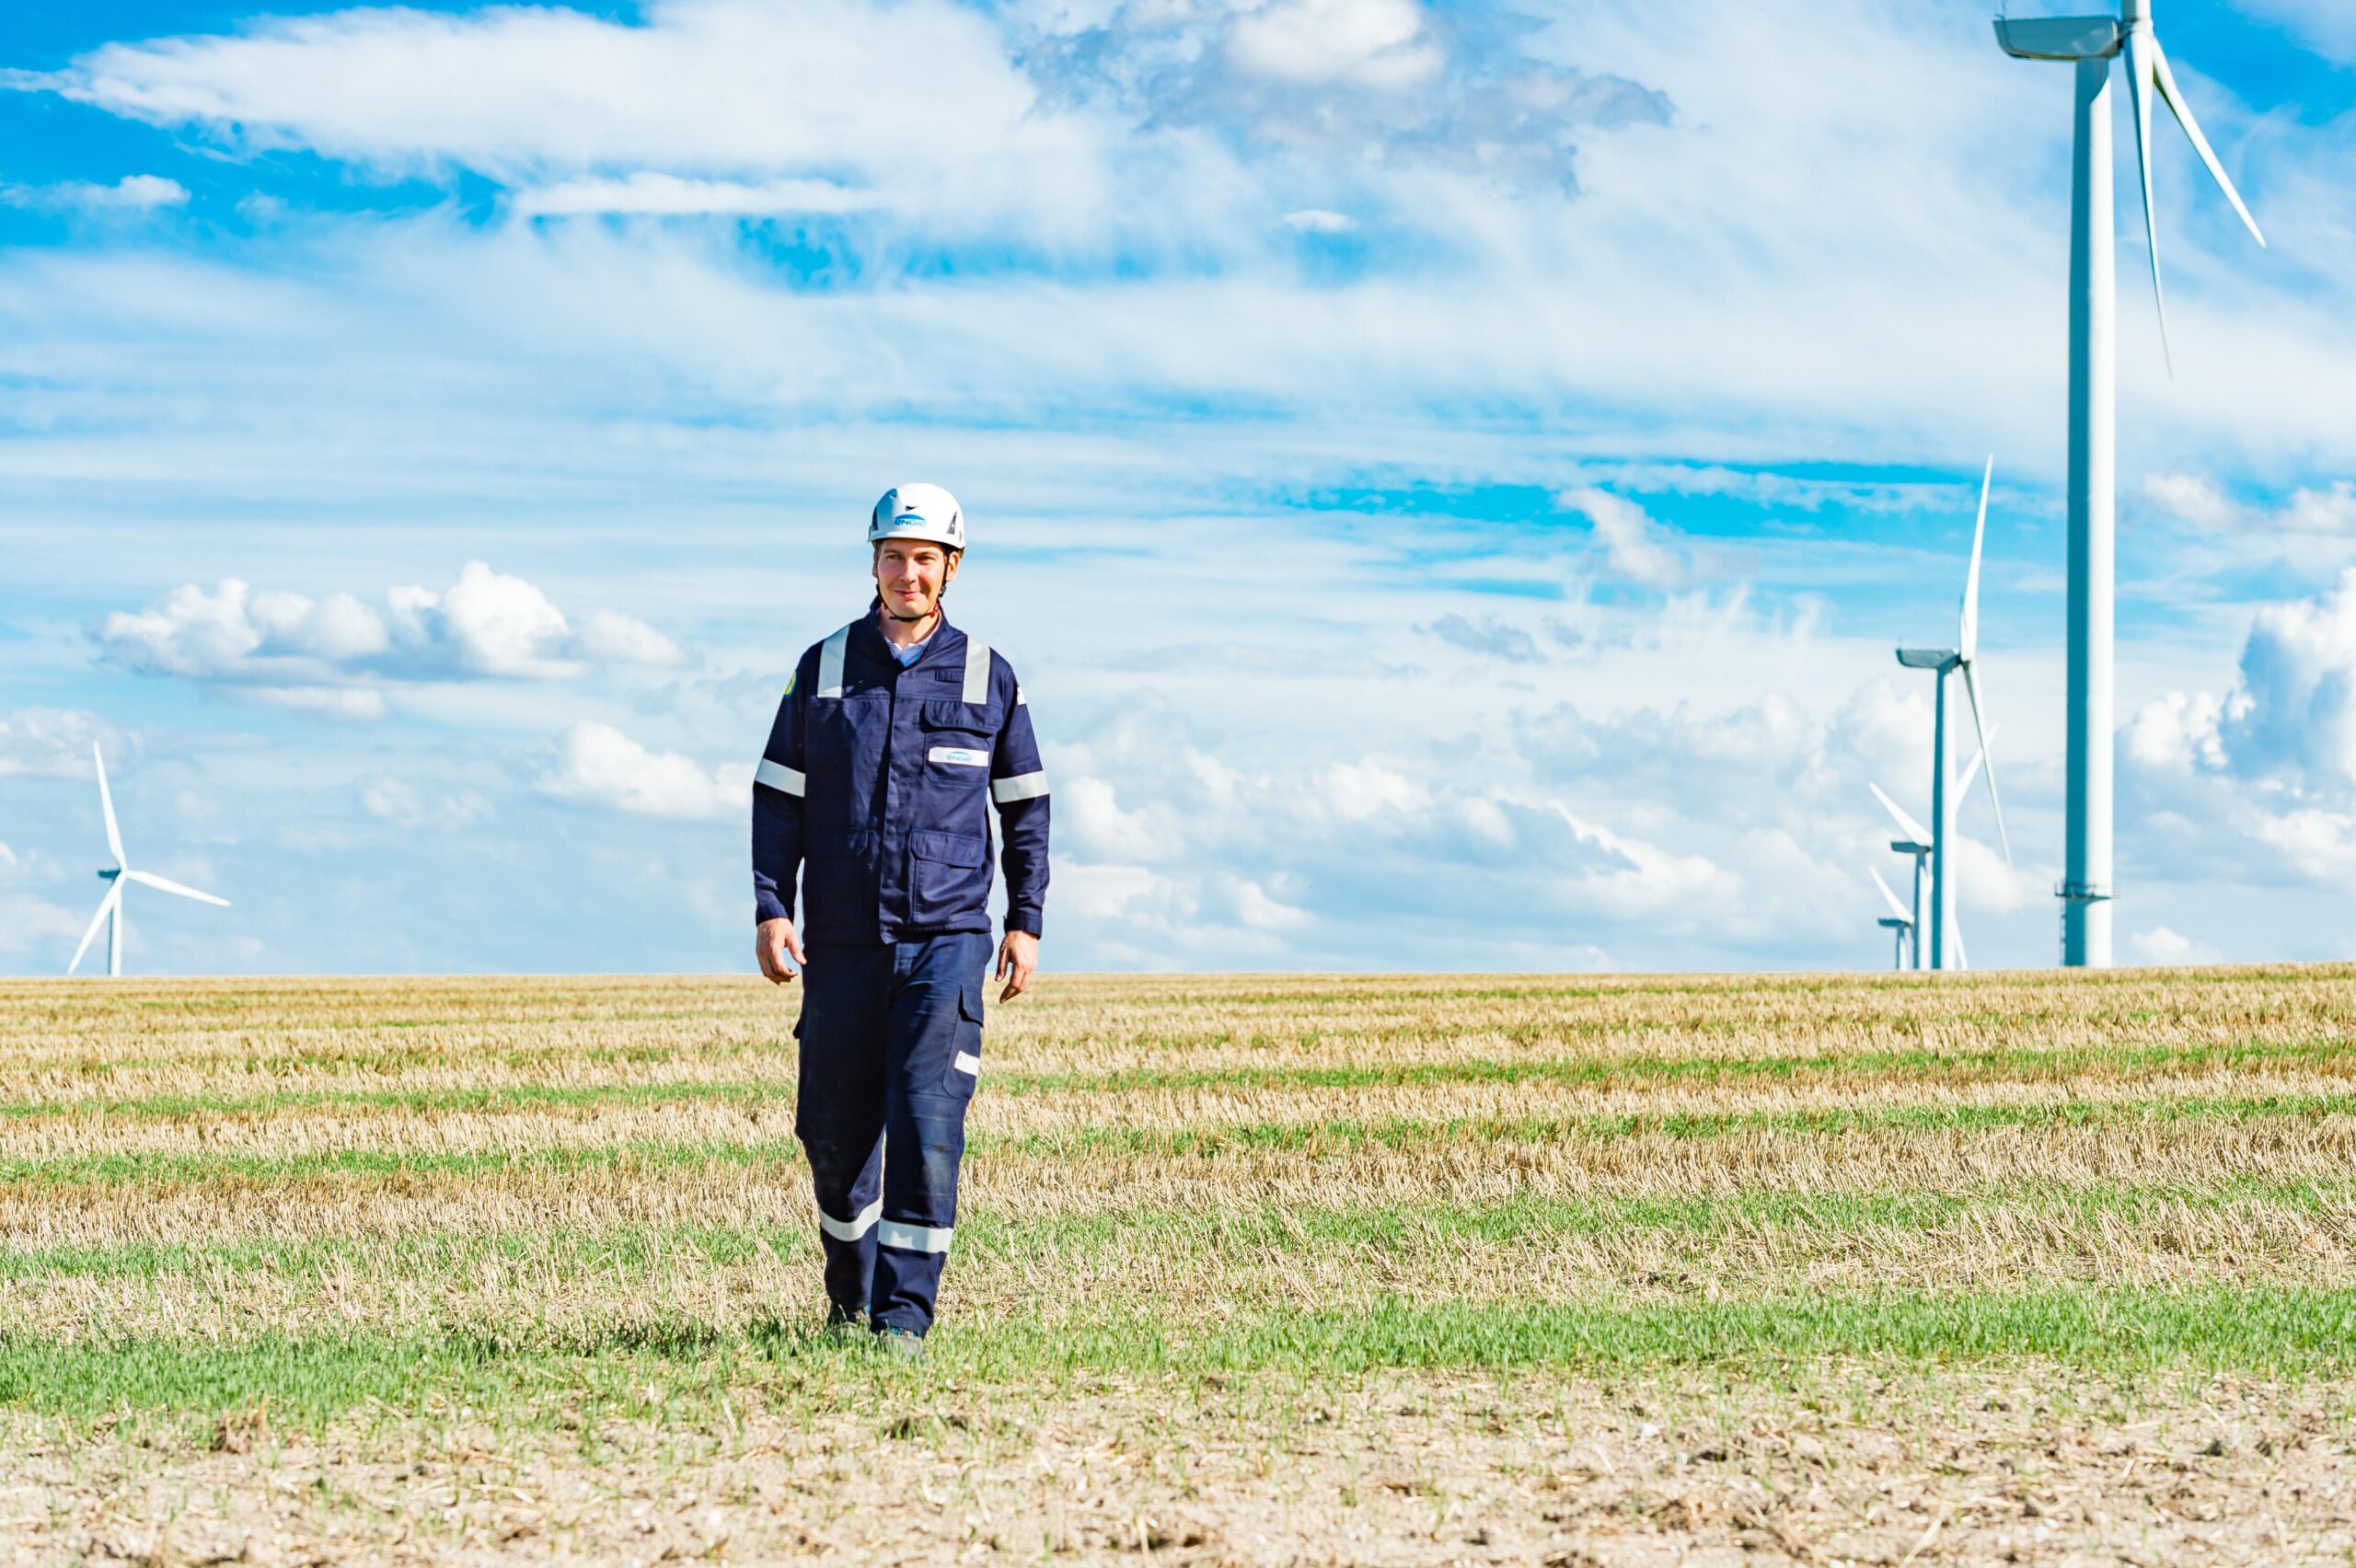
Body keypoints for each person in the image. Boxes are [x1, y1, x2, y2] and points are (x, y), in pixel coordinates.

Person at [750, 483, 1050, 1360]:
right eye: (894, 556)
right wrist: (773, 905)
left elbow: (1024, 806)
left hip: (947, 943)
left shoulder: (989, 676)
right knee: (833, 1137)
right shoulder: (824, 667)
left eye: (925, 559)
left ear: (951, 567)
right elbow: (778, 797)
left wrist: (1024, 918)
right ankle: (852, 1297)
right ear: (873, 561)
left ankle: (903, 1324)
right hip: (840, 945)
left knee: (927, 1125)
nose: (908, 573)